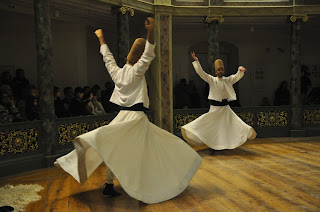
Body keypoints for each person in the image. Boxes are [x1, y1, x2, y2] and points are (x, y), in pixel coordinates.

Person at [54, 17, 201, 204]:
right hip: (136, 118)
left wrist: (101, 38)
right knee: (151, 148)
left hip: (122, 115)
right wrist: (150, 32)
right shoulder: (137, 71)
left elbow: (107, 58)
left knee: (114, 149)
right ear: (139, 57)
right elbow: (148, 54)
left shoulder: (118, 72)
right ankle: (144, 185)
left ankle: (109, 184)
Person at [181, 52, 257, 151]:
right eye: (218, 70)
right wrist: (196, 61)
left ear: (223, 71)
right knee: (212, 126)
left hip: (225, 109)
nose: (220, 71)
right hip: (215, 109)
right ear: (216, 71)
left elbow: (236, 76)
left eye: (221, 69)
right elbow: (202, 73)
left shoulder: (227, 80)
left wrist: (240, 70)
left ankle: (224, 144)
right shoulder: (212, 80)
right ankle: (213, 145)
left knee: (233, 124)